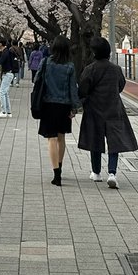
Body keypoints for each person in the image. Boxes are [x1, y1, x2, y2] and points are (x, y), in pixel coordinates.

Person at [77, 36, 138, 189]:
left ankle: (96, 172)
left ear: (93, 53)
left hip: (94, 109)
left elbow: (83, 89)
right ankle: (112, 173)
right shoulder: (115, 69)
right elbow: (121, 85)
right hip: (113, 108)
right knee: (115, 141)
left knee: (95, 140)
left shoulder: (90, 69)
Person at [36, 35, 80, 186]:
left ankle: (56, 174)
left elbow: (37, 81)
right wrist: (74, 107)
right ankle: (60, 167)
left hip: (49, 104)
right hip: (64, 106)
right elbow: (72, 88)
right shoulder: (70, 66)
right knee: (61, 138)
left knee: (51, 139)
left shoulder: (46, 62)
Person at [0, 38, 18, 117]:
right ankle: (8, 112)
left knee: (1, 93)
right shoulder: (4, 52)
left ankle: (4, 112)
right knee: (5, 93)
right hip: (8, 74)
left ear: (1, 44)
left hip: (8, 74)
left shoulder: (6, 52)